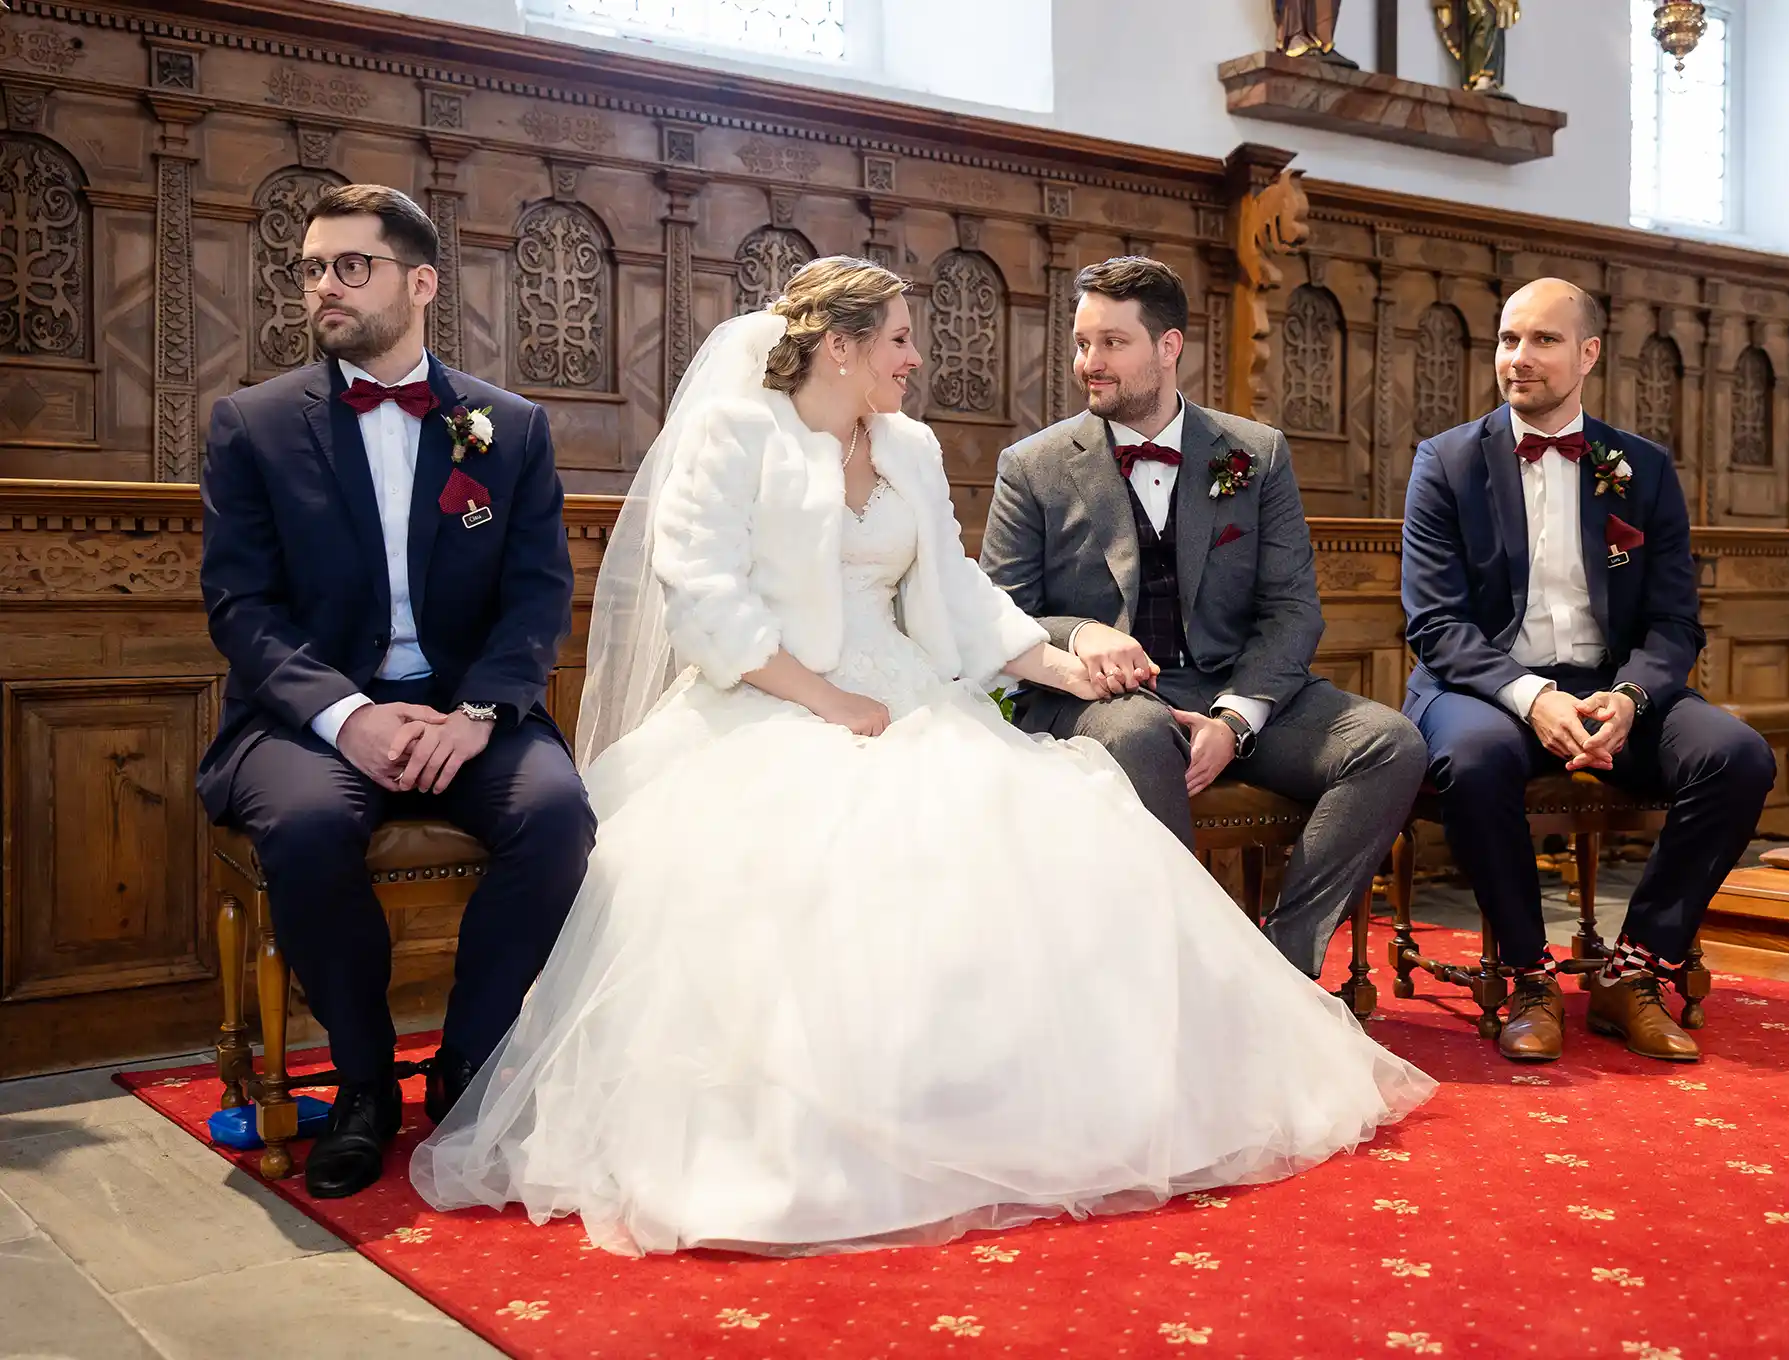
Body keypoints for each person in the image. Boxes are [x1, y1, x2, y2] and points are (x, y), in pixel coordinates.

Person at [411, 257, 1434, 1255]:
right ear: (844, 346)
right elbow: (705, 603)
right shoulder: (735, 435)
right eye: (898, 340)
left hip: (900, 689)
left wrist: (1062, 664)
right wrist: (827, 701)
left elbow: (956, 593)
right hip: (762, 697)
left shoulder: (906, 445)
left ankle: (1020, 1103)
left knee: (1026, 838)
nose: (911, 360)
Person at [198, 185, 594, 1198]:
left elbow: (537, 595)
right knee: (307, 825)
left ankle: (467, 1067)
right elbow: (242, 605)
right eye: (312, 267)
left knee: (557, 817)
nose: (323, 285)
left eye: (349, 265)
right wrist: (348, 714)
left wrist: (475, 717)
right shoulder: (251, 424)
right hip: (309, 718)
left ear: (419, 283)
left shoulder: (506, 427)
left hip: (468, 710)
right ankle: (366, 1084)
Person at [979, 257, 1426, 982]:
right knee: (1138, 731)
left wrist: (1237, 717)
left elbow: (1291, 608)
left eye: (1112, 343)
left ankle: (1281, 970)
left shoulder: (1255, 454)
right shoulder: (1030, 466)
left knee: (1389, 743)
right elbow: (997, 610)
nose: (1089, 363)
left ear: (1168, 347)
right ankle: (1183, 975)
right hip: (1100, 700)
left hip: (1232, 684)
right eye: (1082, 343)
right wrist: (1081, 633)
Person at [1399, 277, 1776, 1063]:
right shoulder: (1447, 463)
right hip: (1484, 687)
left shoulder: (1641, 468)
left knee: (1737, 756)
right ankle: (1532, 978)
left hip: (1612, 686)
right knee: (1473, 759)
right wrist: (1532, 697)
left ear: (1589, 353)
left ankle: (1634, 969)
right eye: (1508, 340)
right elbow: (1435, 624)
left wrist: (1632, 699)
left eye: (1542, 340)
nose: (1519, 358)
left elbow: (1675, 621)